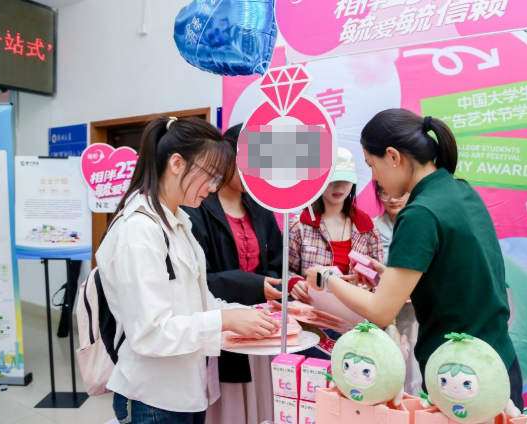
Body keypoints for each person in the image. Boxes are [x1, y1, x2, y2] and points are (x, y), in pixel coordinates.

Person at [305, 109, 524, 411]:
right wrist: (388, 275)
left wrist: (326, 279)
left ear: (393, 157)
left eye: (372, 165)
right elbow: (454, 274)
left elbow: (380, 311)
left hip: (462, 380)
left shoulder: (419, 213)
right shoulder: (459, 190)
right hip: (498, 362)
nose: (375, 177)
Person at [95, 116, 279, 424]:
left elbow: (200, 300)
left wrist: (245, 317)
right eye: (211, 175)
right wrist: (226, 320)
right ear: (177, 163)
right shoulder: (139, 230)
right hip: (152, 398)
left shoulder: (179, 222)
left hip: (187, 390)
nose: (213, 187)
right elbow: (150, 334)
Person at [184, 123, 282, 424]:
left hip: (262, 327)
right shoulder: (197, 209)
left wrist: (280, 285)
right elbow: (199, 280)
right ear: (229, 159)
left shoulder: (261, 208)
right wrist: (254, 284)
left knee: (262, 405)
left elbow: (276, 261)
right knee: (229, 409)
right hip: (223, 328)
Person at [288, 147, 383, 355]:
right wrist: (293, 282)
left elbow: (378, 278)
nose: (339, 186)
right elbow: (285, 270)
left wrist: (369, 287)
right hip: (312, 324)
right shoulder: (300, 225)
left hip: (356, 323)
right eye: (332, 180)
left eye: (345, 180)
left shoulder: (367, 227)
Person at [372, 181, 422, 396]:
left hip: (415, 309)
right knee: (384, 361)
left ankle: (414, 400)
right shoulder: (371, 227)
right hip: (381, 308)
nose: (392, 199)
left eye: (398, 194)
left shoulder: (422, 226)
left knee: (414, 361)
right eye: (385, 193)